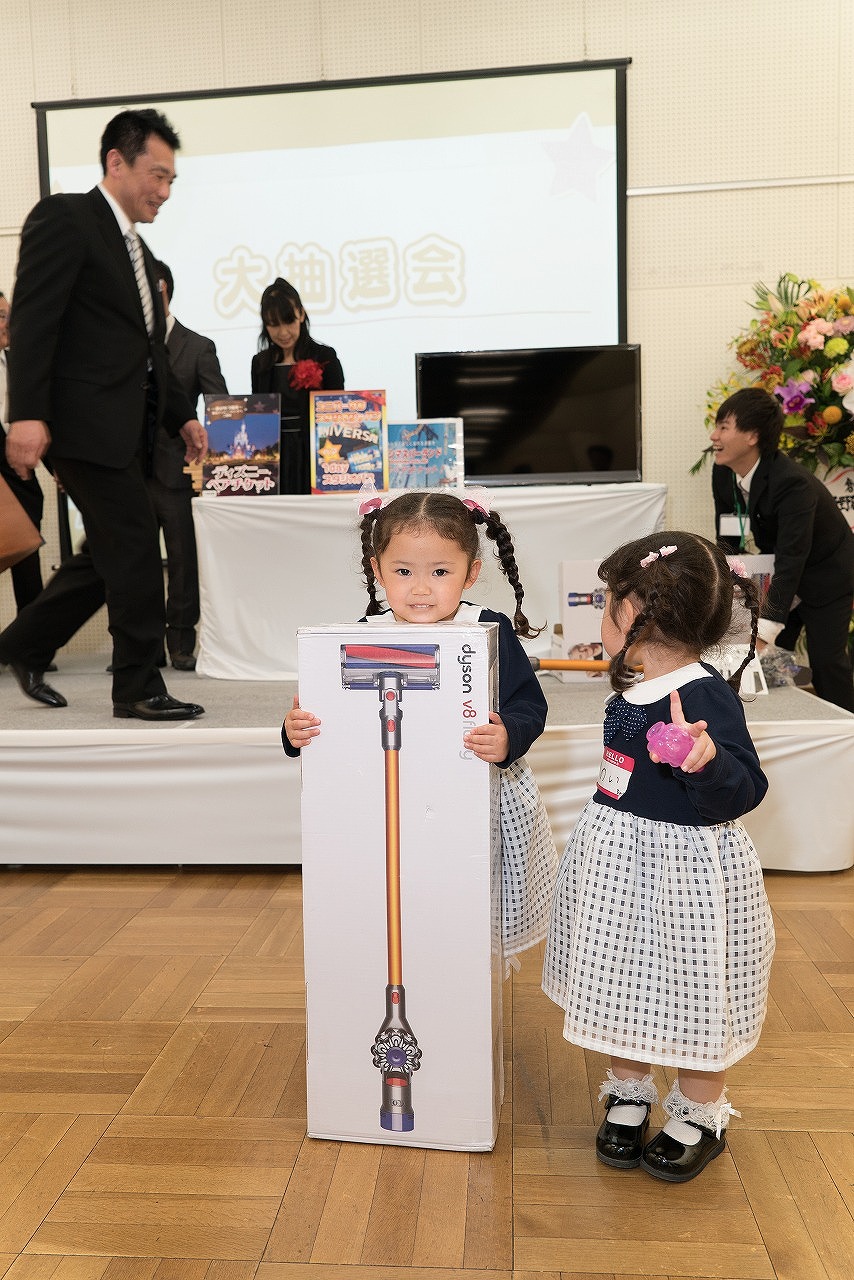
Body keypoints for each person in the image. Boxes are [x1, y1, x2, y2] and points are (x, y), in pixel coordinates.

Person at [542, 533, 775, 1183]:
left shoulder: (703, 696)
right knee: (622, 980)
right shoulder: (638, 686)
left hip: (684, 875)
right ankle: (629, 1091)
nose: (601, 614)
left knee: (694, 988)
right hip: (620, 865)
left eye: (606, 602)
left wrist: (706, 760)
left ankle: (699, 1113)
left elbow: (745, 789)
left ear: (635, 613)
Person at [283, 489, 558, 961]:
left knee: (468, 888)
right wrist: (295, 730)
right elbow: (328, 711)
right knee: (401, 880)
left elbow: (529, 705)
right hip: (391, 789)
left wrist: (508, 734)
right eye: (404, 572)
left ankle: (466, 963)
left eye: (440, 572)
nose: (421, 589)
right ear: (378, 570)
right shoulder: (360, 635)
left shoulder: (487, 628)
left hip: (474, 788)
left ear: (471, 573)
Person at [0, 108, 208, 719]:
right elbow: (33, 319)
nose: (164, 191)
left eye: (171, 180)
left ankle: (23, 643)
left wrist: (180, 416)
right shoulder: (66, 218)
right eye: (157, 175)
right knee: (137, 544)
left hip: (124, 431)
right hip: (81, 425)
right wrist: (26, 413)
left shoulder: (137, 250)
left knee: (109, 552)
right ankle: (138, 686)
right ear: (117, 162)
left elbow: (148, 352)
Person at [710, 386, 854, 712]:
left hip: (826, 574)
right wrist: (729, 592)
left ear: (752, 436)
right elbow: (728, 539)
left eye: (723, 427)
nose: (713, 435)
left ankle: (847, 728)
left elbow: (793, 558)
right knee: (773, 662)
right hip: (782, 571)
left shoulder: (791, 482)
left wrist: (764, 630)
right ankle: (783, 718)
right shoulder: (723, 472)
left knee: (827, 661)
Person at [150, 259, 228, 670]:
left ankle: (181, 643)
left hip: (179, 470)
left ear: (161, 289)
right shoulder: (124, 346)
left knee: (182, 560)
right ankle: (141, 647)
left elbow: (222, 410)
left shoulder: (198, 346)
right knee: (134, 561)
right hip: (130, 470)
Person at [250, 278, 343, 494]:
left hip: (316, 453)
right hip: (274, 455)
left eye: (288, 321)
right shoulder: (260, 362)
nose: (283, 332)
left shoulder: (325, 356)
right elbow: (258, 415)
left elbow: (338, 410)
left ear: (301, 314)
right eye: (274, 324)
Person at [0, 290, 45, 614]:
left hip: (21, 483)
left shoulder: (20, 364)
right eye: (2, 316)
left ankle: (31, 638)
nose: (8, 323)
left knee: (29, 573)